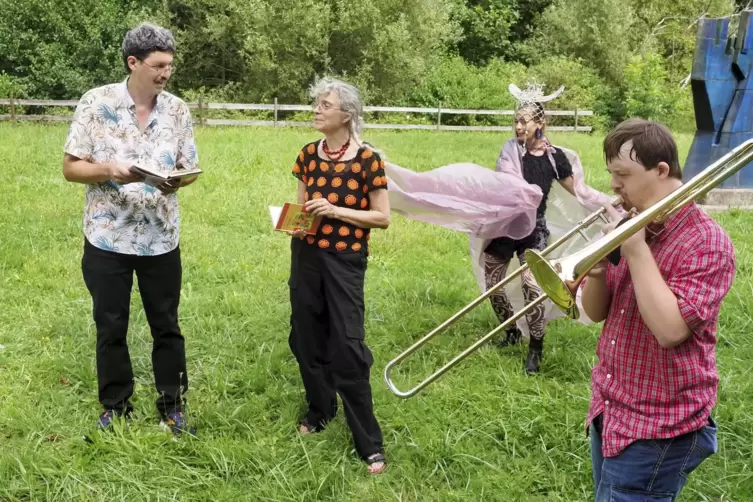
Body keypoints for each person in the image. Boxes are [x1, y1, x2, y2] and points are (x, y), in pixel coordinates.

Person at [581, 118, 736, 500]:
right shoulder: (638, 225)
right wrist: (597, 271)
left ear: (661, 170)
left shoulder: (706, 242)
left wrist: (634, 248)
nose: (614, 184)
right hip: (611, 406)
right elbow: (599, 312)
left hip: (660, 424)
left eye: (623, 174)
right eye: (611, 173)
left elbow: (670, 331)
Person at [62, 22, 199, 439]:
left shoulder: (177, 110)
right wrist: (109, 170)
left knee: (166, 324)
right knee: (111, 324)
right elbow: (71, 168)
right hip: (108, 237)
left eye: (170, 66)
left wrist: (178, 179)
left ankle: (172, 406)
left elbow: (188, 166)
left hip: (161, 237)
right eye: (158, 65)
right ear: (133, 62)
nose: (166, 74)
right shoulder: (95, 102)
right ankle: (115, 406)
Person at [287, 77, 389, 474]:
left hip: (345, 260)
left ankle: (369, 441)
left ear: (346, 115)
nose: (317, 110)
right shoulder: (307, 155)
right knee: (306, 335)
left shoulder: (368, 160)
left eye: (325, 105)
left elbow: (381, 218)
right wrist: (296, 224)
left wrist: (336, 210)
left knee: (347, 345)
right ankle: (321, 409)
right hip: (307, 256)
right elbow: (301, 212)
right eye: (317, 103)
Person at [484, 83, 581, 374]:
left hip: (533, 231)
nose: (518, 126)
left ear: (540, 123)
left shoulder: (555, 157)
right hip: (507, 225)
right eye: (515, 120)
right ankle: (511, 330)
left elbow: (580, 191)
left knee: (532, 284)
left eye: (524, 121)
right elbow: (510, 181)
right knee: (493, 283)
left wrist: (610, 203)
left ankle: (535, 347)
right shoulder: (510, 151)